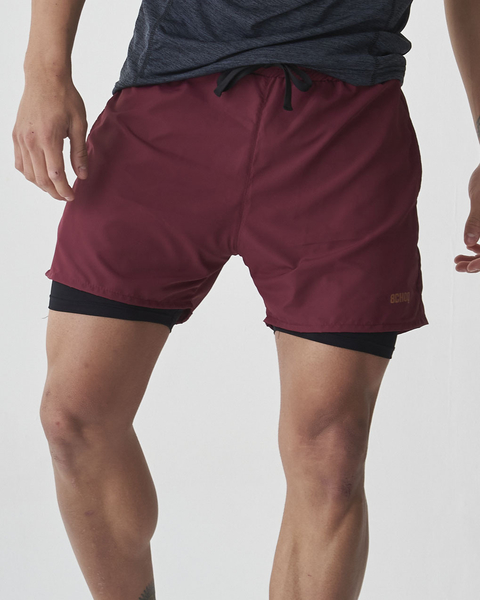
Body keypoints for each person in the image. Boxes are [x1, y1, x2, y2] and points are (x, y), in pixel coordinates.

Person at [10, 1, 475, 599]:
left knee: (332, 454)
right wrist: (44, 71)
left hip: (346, 119)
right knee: (73, 416)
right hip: (167, 98)